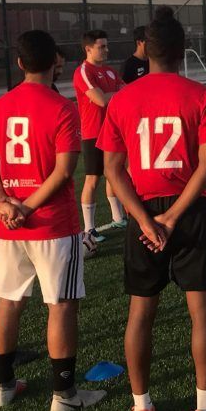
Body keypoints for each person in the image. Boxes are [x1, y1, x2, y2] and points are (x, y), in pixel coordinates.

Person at [97, 6, 206, 411]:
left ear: (145, 50)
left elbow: (112, 171)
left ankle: (141, 410)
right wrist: (174, 216)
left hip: (143, 209)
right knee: (201, 311)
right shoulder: (198, 96)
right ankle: (205, 410)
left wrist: (144, 220)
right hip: (188, 210)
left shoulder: (121, 99)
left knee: (140, 313)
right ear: (181, 52)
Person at [0, 30, 105, 411]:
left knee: (9, 303)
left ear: (19, 63)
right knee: (61, 306)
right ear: (55, 63)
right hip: (52, 225)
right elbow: (64, 172)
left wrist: (4, 204)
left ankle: (4, 387)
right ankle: (63, 396)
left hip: (10, 226)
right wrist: (26, 207)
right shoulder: (62, 108)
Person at [72, 29, 126, 248]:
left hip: (113, 131)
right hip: (93, 132)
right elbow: (100, 100)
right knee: (92, 180)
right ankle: (89, 228)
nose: (106, 49)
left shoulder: (111, 72)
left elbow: (125, 93)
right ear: (88, 49)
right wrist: (119, 95)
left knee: (115, 174)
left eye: (106, 45)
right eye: (101, 46)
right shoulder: (84, 71)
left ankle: (118, 218)